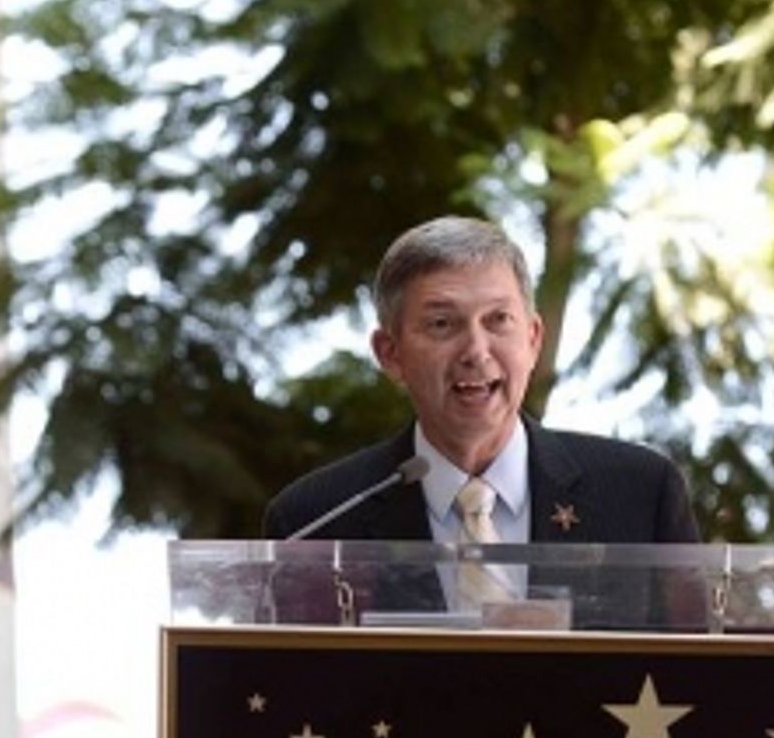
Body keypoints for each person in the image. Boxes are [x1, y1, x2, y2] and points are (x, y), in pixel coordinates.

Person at [263, 216, 701, 551]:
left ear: (532, 339)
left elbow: (692, 669)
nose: (476, 349)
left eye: (498, 321)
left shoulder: (641, 494)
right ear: (390, 354)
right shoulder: (314, 520)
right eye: (441, 324)